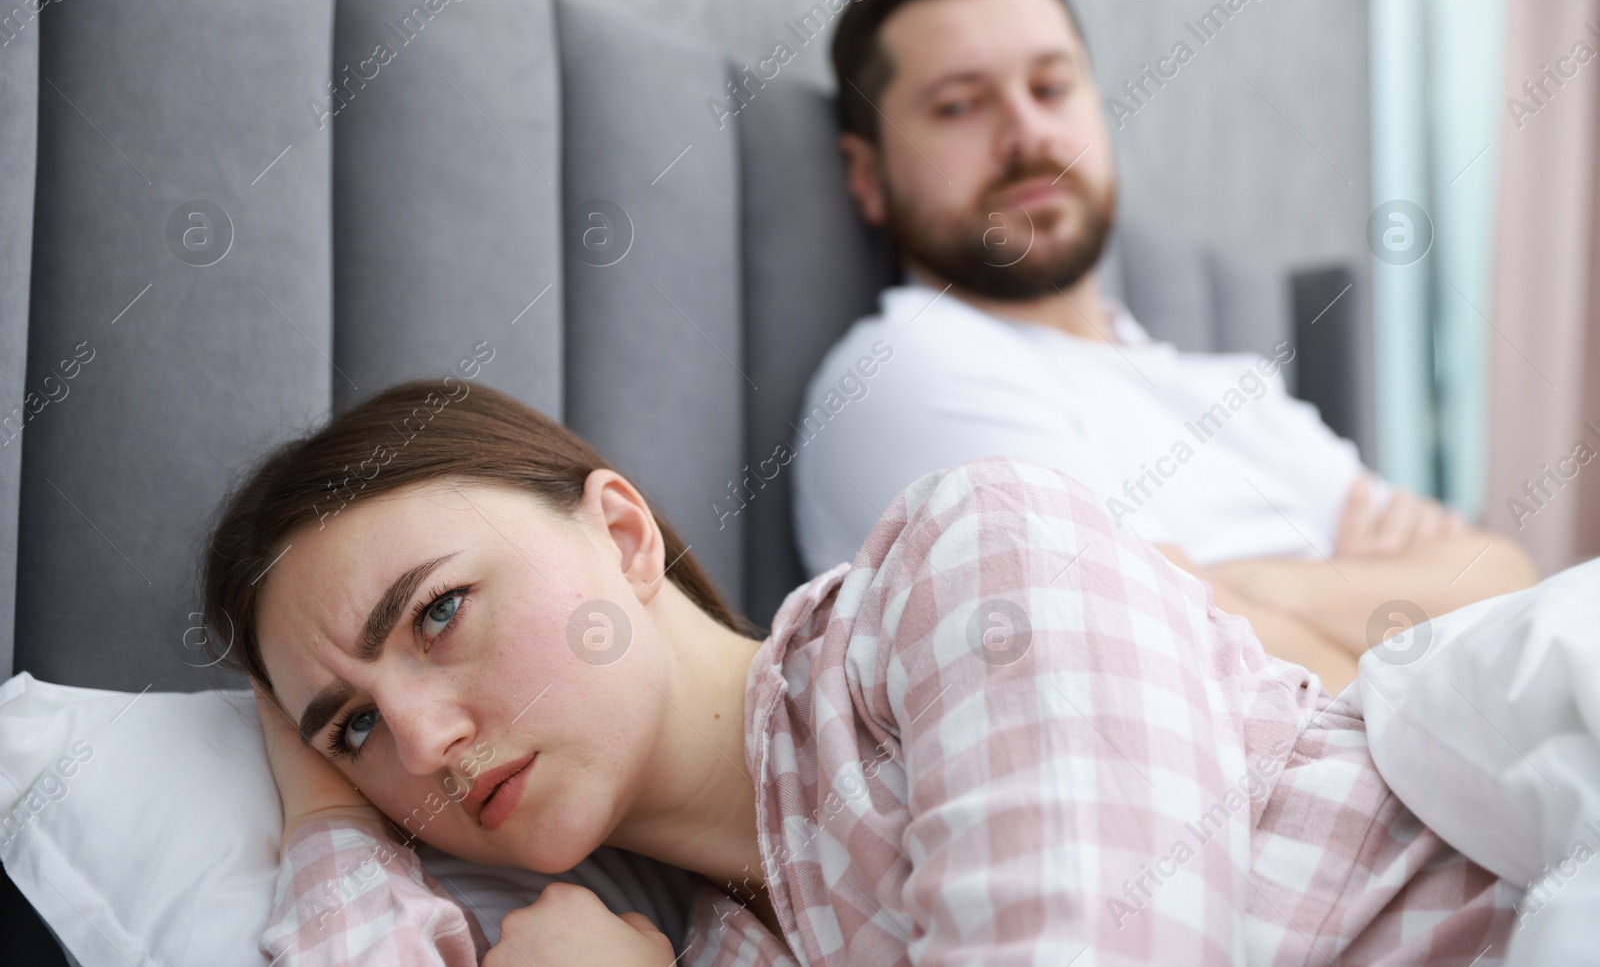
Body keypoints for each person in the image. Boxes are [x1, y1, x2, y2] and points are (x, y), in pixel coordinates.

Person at [208, 378, 1520, 965]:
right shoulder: (703, 941)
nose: (422, 738)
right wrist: (326, 819)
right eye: (353, 721)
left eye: (438, 611)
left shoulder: (971, 560)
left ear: (620, 533)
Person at [792, 0, 1538, 693]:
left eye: (1051, 89)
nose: (1028, 134)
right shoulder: (916, 364)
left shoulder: (1238, 392)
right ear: (868, 176)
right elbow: (1176, 664)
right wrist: (1361, 584)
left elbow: (1509, 579)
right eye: (958, 106)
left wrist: (1241, 589)